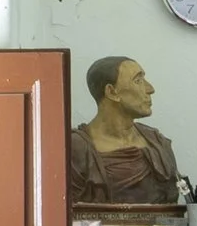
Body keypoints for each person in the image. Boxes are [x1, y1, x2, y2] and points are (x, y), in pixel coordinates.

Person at [68, 56, 181, 205]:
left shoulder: (158, 144)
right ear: (112, 92)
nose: (150, 89)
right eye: (138, 81)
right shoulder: (76, 147)